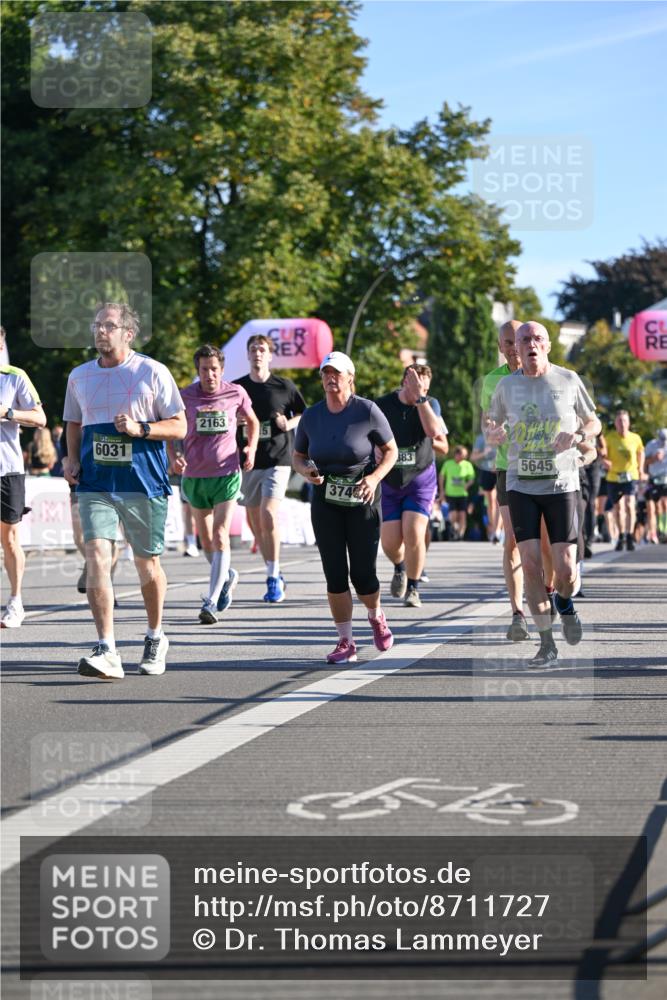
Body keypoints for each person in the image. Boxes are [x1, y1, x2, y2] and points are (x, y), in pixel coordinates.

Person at [62, 302, 186, 679]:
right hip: (96, 483)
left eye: (109, 326)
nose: (100, 331)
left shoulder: (151, 371)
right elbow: (73, 421)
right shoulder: (79, 376)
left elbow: (179, 426)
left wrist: (140, 429)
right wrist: (71, 459)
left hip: (142, 481)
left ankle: (154, 635)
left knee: (146, 563)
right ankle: (107, 648)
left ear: (127, 334)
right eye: (97, 325)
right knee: (97, 555)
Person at [486, 321, 601, 665]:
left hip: (562, 484)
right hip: (520, 485)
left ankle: (564, 603)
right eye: (524, 340)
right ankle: (546, 642)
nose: (530, 344)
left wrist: (578, 435)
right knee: (532, 566)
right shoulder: (506, 386)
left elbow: (594, 421)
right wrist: (494, 433)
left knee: (565, 570)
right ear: (515, 350)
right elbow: (492, 425)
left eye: (537, 338)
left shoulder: (568, 379)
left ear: (547, 346)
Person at [293, 351, 398, 663]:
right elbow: (298, 456)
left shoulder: (367, 410)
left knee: (363, 575)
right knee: (334, 573)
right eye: (326, 372)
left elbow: (390, 450)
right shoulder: (312, 415)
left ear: (350, 377)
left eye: (336, 373)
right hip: (325, 499)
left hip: (362, 497)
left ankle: (376, 615)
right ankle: (346, 641)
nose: (330, 378)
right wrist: (305, 471)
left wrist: (376, 478)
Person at [170, 344, 259, 624]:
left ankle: (210, 600)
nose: (210, 374)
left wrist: (251, 449)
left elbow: (253, 422)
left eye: (214, 369)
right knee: (206, 539)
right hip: (195, 476)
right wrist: (175, 455)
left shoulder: (236, 392)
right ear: (198, 370)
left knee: (220, 534)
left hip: (227, 473)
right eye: (204, 369)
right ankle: (227, 574)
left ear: (222, 370)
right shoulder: (185, 396)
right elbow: (171, 429)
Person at [233, 334, 306, 602]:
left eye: (262, 349)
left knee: (268, 514)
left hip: (278, 459)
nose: (257, 353)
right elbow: (225, 417)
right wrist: (236, 422)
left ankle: (273, 577)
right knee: (256, 524)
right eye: (253, 349)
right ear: (248, 355)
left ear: (270, 355)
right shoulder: (238, 388)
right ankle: (273, 569)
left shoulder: (283, 386)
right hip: (249, 460)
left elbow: (303, 412)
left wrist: (289, 424)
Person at [375, 363, 443, 608]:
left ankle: (413, 588)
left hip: (420, 479)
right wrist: (374, 449)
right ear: (405, 381)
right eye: (415, 383)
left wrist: (420, 398)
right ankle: (399, 567)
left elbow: (433, 431)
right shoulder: (383, 404)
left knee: (414, 533)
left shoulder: (430, 404)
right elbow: (370, 434)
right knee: (390, 543)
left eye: (425, 385)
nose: (419, 388)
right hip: (391, 480)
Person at [480, 320, 531, 641]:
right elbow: (490, 419)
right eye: (507, 342)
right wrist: (492, 430)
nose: (514, 347)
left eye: (518, 340)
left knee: (547, 545)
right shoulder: (493, 381)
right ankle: (517, 612)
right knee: (512, 540)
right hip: (508, 468)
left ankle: (551, 589)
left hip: (546, 470)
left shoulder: (549, 375)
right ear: (500, 347)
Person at [1, 342, 47, 628]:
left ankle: (16, 602)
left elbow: (40, 418)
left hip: (7, 471)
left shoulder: (14, 376)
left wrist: (8, 413)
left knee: (9, 540)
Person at [603, 409, 644, 552]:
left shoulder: (635, 438)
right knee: (618, 508)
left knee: (630, 504)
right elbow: (603, 453)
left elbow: (640, 452)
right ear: (615, 423)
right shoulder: (609, 437)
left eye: (624, 421)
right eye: (619, 421)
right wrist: (604, 461)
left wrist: (641, 468)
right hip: (614, 476)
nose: (622, 423)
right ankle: (621, 536)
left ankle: (630, 535)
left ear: (629, 423)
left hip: (630, 475)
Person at [438, 446, 475, 539]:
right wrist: (442, 490)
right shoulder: (448, 464)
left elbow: (472, 478)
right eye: (463, 455)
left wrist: (467, 484)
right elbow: (441, 476)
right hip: (451, 494)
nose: (464, 457)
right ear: (456, 454)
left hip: (462, 494)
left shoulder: (467, 465)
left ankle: (460, 535)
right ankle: (454, 528)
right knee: (453, 514)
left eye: (465, 455)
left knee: (462, 515)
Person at [470, 433, 500, 542]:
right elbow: (473, 457)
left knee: (499, 502)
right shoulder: (480, 438)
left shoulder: (503, 432)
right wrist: (484, 453)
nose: (490, 423)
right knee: (491, 501)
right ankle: (492, 530)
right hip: (486, 471)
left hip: (500, 470)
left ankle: (497, 530)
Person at [644, 428, 667, 544]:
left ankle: (664, 529)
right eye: (662, 440)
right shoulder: (651, 445)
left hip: (666, 478)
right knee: (653, 507)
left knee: (665, 505)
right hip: (653, 478)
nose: (664, 443)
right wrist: (653, 459)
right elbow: (643, 462)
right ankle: (654, 533)